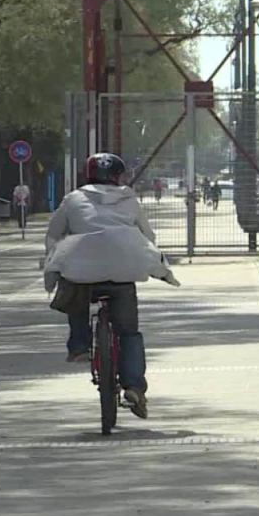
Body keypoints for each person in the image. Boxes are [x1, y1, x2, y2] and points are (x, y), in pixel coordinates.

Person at [43, 153, 180, 420]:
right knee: (129, 333)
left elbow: (53, 234)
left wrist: (55, 261)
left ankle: (80, 344)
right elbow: (147, 236)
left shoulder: (72, 200)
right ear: (119, 176)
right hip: (123, 274)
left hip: (84, 275)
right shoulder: (129, 200)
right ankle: (134, 387)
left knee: (75, 288)